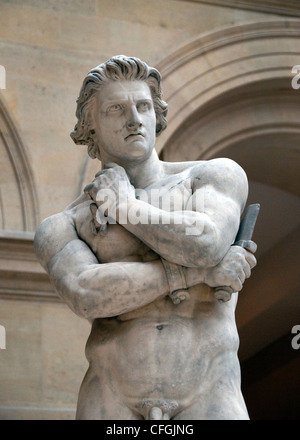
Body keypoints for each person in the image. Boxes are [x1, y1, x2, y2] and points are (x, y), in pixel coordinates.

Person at [34, 55, 257, 420]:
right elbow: (87, 294)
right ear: (90, 127)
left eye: (142, 106)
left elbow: (206, 244)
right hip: (110, 398)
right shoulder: (63, 225)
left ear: (156, 114)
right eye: (115, 110)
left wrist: (126, 208)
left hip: (209, 392)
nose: (134, 119)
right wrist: (196, 275)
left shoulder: (213, 176)